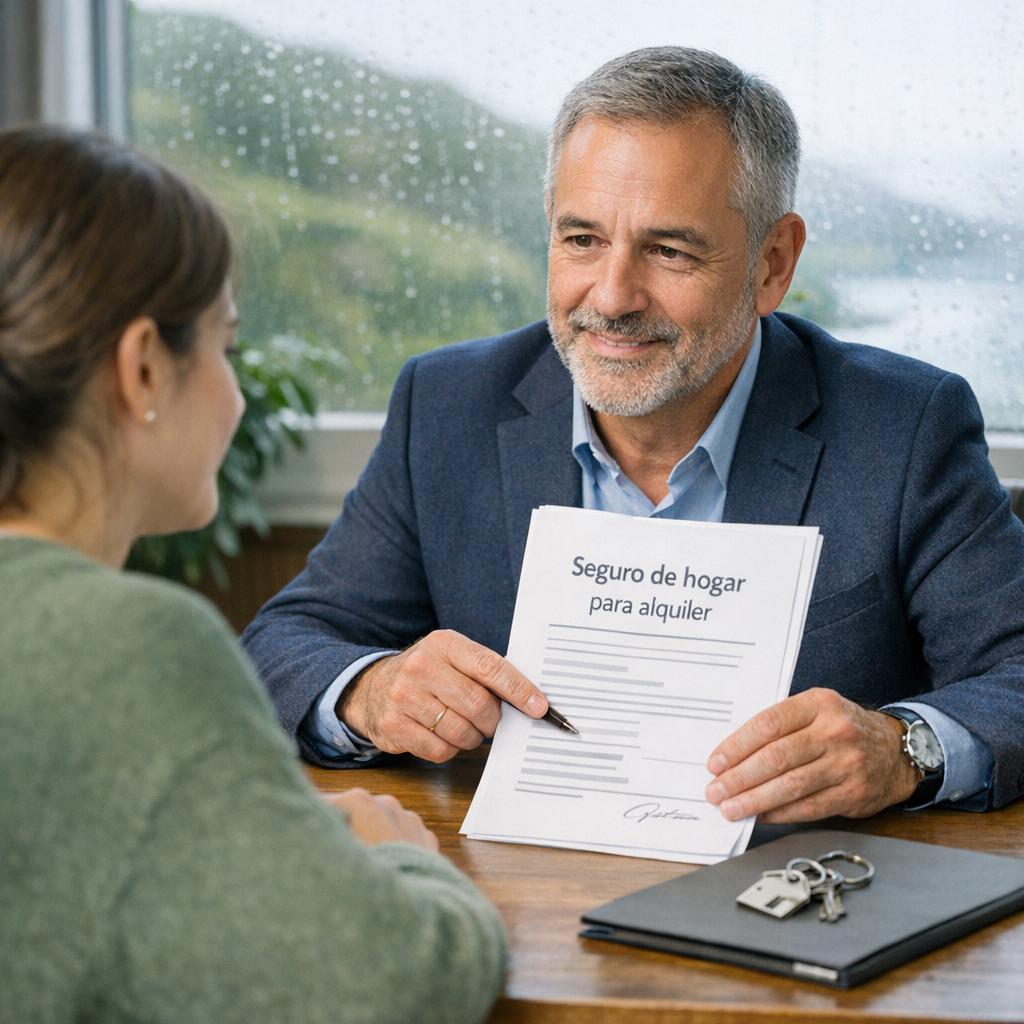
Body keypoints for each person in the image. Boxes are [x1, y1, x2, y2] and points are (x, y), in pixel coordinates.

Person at [242, 47, 1024, 824]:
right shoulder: (447, 405)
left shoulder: (905, 428)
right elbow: (285, 643)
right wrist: (371, 690)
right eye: (582, 240)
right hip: (517, 896)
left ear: (772, 263)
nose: (612, 297)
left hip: (793, 901)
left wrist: (902, 750)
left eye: (668, 250)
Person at [0, 125, 504, 1023]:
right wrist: (403, 859)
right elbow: (396, 985)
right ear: (145, 366)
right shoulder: (121, 645)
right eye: (226, 350)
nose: (235, 395)